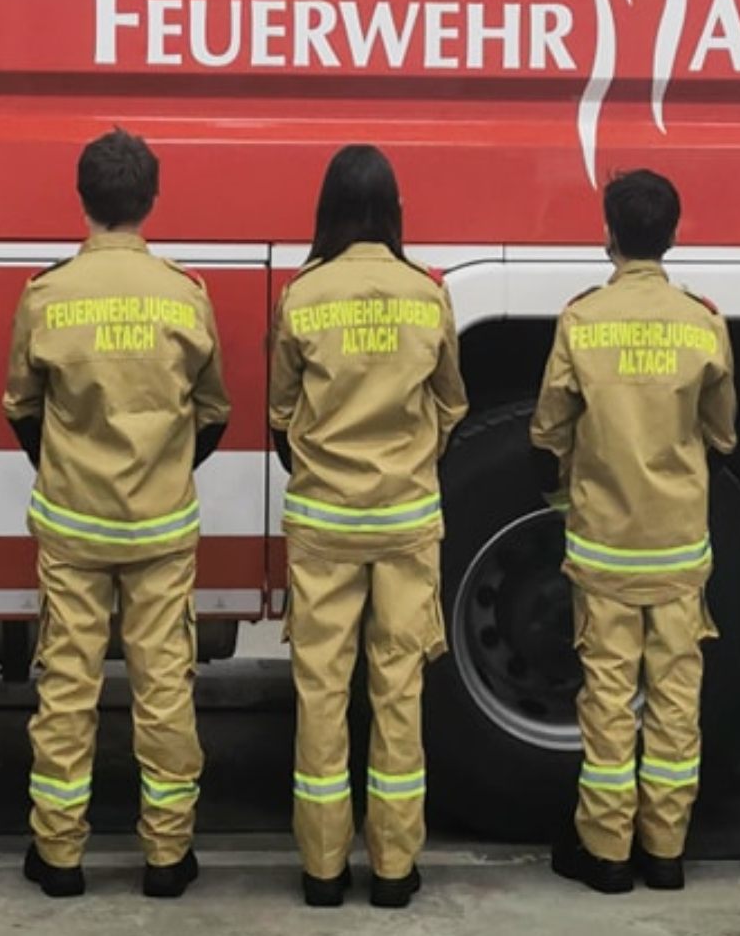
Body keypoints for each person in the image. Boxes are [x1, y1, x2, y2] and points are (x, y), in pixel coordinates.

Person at [3, 128, 230, 900]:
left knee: (66, 687)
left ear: (83, 198)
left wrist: (68, 469)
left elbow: (21, 409)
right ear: (150, 201)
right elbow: (213, 412)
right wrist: (163, 468)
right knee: (163, 686)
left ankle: (57, 857)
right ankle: (167, 859)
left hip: (73, 523)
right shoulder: (184, 294)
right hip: (160, 527)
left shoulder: (47, 293)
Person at [268, 146, 467, 910]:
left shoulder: (303, 295)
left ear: (327, 209)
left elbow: (282, 414)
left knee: (320, 692)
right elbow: (450, 406)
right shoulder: (426, 295)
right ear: (393, 210)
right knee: (397, 691)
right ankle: (393, 869)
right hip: (406, 523)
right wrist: (409, 462)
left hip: (322, 522)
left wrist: (321, 467)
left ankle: (321, 872)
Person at [530, 168, 735, 895]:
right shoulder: (701, 321)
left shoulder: (582, 319)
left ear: (608, 234)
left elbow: (550, 426)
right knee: (676, 697)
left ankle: (606, 851)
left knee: (608, 699)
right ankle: (665, 851)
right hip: (679, 546)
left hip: (603, 547)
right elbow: (721, 431)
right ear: (673, 235)